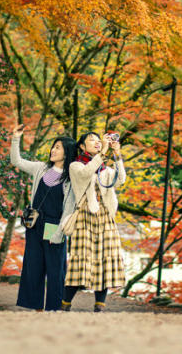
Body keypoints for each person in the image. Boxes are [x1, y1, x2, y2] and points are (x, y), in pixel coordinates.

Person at [9, 123, 78, 311]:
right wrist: (16, 138)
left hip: (55, 225)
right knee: (33, 266)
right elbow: (17, 161)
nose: (53, 150)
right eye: (53, 146)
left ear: (67, 152)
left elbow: (70, 208)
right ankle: (36, 307)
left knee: (56, 271)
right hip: (35, 223)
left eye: (58, 147)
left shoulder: (71, 178)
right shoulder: (41, 168)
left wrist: (59, 233)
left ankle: (54, 309)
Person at [62, 130, 127, 312]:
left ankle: (100, 304)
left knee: (106, 258)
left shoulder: (105, 169)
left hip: (106, 216)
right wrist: (103, 152)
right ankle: (65, 303)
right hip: (85, 214)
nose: (97, 142)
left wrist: (117, 155)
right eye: (92, 140)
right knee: (82, 259)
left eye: (99, 141)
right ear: (82, 146)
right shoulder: (75, 166)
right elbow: (86, 173)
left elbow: (121, 180)